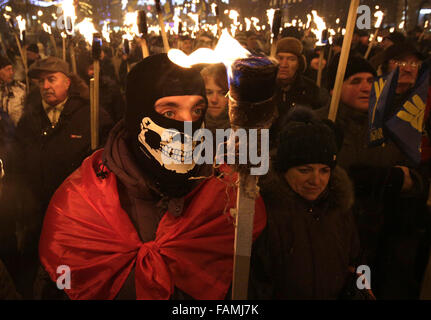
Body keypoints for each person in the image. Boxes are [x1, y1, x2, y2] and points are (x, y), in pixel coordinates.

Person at [38, 53, 266, 300]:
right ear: (139, 114)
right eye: (169, 113)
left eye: (197, 110)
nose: (187, 126)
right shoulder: (81, 200)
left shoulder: (229, 194)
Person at [317, 55, 430, 299]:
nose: (366, 87)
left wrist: (399, 181)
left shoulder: (390, 125)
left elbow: (416, 177)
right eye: (355, 81)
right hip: (336, 235)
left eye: (370, 80)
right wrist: (363, 179)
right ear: (335, 87)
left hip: (381, 236)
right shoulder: (320, 123)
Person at [12, 56, 113, 298]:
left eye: (51, 79)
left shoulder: (89, 115)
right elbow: (17, 162)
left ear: (67, 82)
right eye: (40, 82)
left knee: (69, 273)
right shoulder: (30, 118)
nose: (45, 86)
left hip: (75, 218)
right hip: (36, 214)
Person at [249, 107, 364, 299]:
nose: (316, 180)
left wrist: (358, 291)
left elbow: (357, 261)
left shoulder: (338, 208)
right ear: (284, 170)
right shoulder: (266, 212)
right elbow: (256, 282)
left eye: (324, 170)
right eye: (304, 170)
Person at [271, 37, 329, 144]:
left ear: (299, 63)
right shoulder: (264, 88)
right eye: (280, 58)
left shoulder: (311, 89)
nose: (284, 65)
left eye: (291, 59)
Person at [200, 63, 230, 135]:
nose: (214, 100)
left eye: (222, 93)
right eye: (209, 92)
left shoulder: (244, 130)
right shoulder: (189, 125)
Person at [0, 55, 26, 127]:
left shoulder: (20, 88)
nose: (11, 73)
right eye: (7, 70)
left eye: (12, 69)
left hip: (18, 130)